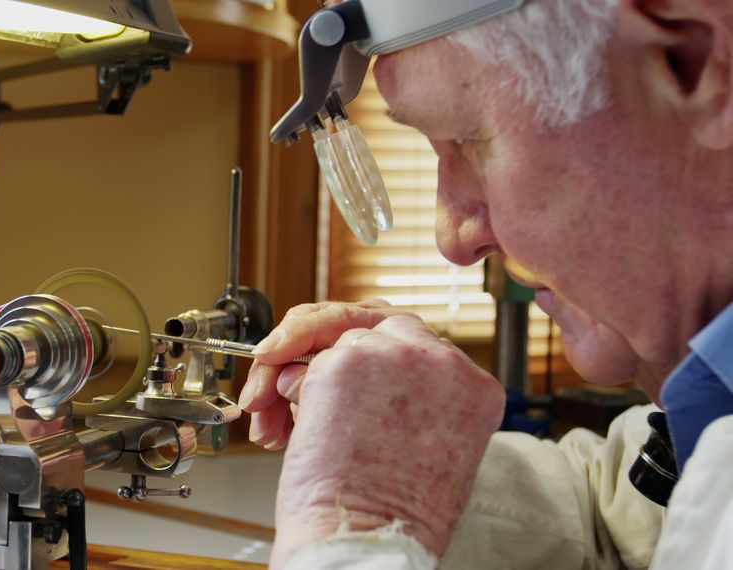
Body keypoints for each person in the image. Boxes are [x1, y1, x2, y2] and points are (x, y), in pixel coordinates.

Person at [239, 0, 733, 567]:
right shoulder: (710, 401)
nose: (452, 238)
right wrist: (404, 462)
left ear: (690, 65)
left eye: (471, 141)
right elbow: (626, 521)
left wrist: (359, 526)